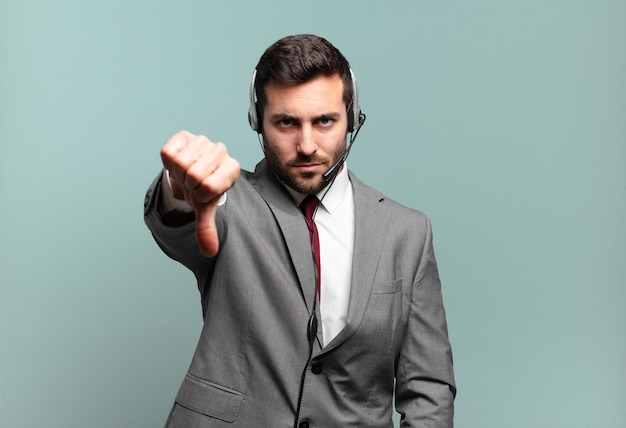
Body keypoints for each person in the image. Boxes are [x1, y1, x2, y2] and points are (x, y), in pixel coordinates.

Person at [144, 34, 455, 428]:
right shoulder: (227, 202)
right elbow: (178, 223)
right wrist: (180, 190)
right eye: (286, 122)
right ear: (258, 121)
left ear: (352, 117)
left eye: (324, 121)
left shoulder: (407, 232)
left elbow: (429, 388)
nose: (306, 145)